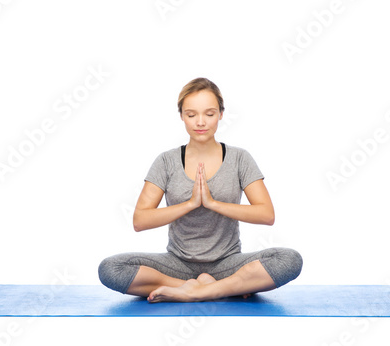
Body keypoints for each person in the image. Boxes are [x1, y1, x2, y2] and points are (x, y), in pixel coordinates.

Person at [98, 77, 302, 303]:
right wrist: (191, 204)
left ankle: (198, 291)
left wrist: (213, 203)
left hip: (228, 264)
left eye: (210, 113)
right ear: (182, 116)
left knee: (288, 260)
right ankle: (210, 288)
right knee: (111, 268)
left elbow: (267, 214)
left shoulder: (239, 158)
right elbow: (140, 220)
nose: (200, 122)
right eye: (191, 114)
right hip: (177, 264)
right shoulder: (166, 161)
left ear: (221, 114)